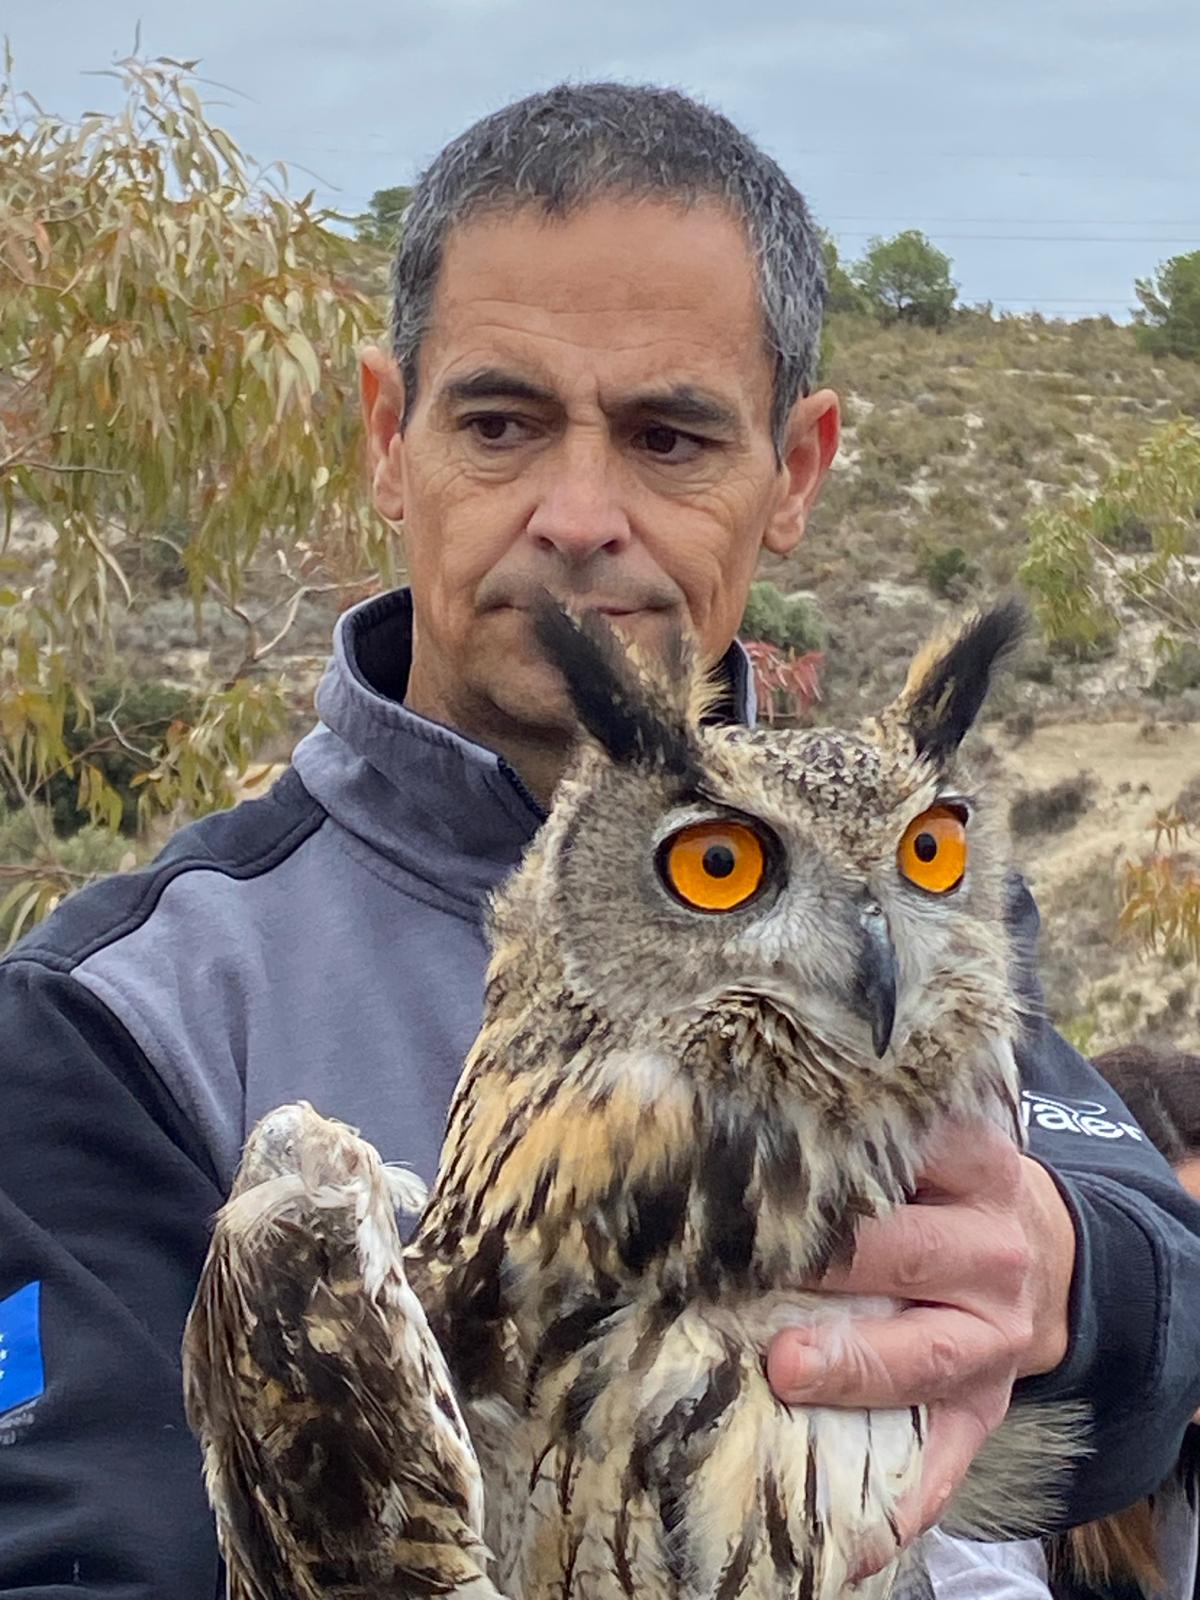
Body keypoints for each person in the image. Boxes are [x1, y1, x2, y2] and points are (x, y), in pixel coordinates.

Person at [1, 83, 1198, 1594]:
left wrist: (1069, 1279)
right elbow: (67, 1543)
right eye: (501, 423)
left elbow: (1164, 1317)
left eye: (671, 435)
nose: (579, 513)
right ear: (389, 436)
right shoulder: (118, 1014)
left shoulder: (906, 887)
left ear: (800, 471)